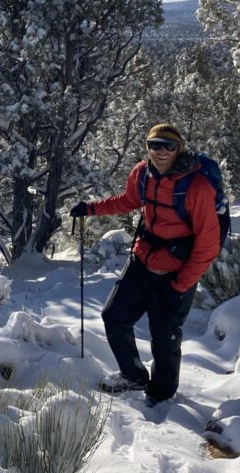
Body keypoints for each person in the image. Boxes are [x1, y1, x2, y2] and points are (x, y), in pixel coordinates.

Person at [70, 123, 220, 406]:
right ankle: (134, 375)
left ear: (179, 148)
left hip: (176, 271)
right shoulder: (142, 173)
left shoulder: (197, 187)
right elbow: (128, 201)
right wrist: (90, 208)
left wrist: (181, 284)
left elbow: (207, 245)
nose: (161, 152)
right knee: (114, 316)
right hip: (142, 261)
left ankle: (161, 399)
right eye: (155, 145)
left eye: (168, 146)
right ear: (147, 147)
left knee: (164, 338)